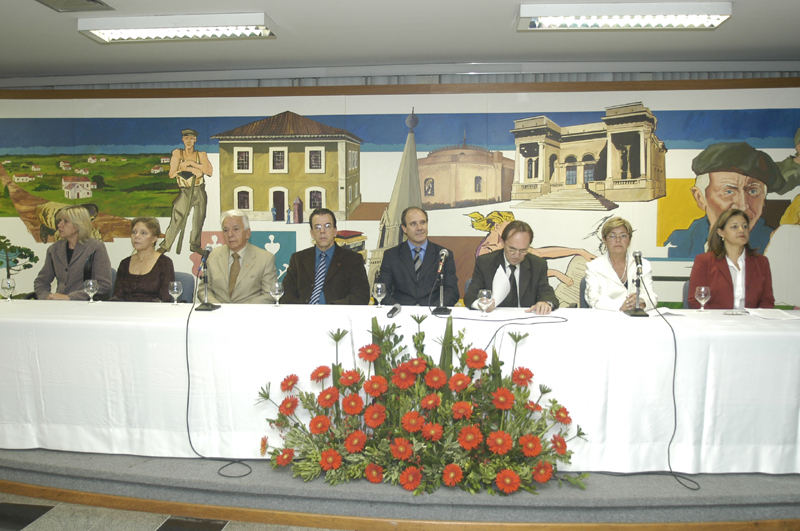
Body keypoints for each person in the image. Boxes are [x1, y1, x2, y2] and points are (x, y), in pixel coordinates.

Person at [664, 142, 785, 258]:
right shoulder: (678, 244)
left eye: (753, 191)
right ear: (700, 198)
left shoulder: (777, 244)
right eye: (728, 192)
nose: (743, 206)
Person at [463, 220, 558, 315]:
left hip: (525, 317)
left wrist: (545, 303)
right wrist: (483, 305)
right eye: (512, 249)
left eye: (523, 250)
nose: (516, 255)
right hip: (494, 317)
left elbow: (547, 292)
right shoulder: (485, 263)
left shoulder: (538, 264)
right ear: (502, 242)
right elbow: (471, 296)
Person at [688, 209, 774, 310]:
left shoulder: (761, 262)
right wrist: (716, 318)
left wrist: (756, 317)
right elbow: (695, 300)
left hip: (751, 319)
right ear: (721, 233)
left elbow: (767, 301)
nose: (741, 230)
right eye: (734, 227)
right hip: (715, 318)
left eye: (745, 226)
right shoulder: (704, 261)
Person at [282, 208, 370, 305]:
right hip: (304, 313)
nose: (322, 231)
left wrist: (329, 310)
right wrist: (304, 311)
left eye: (327, 226)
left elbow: (360, 296)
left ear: (335, 231)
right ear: (312, 233)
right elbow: (285, 295)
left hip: (337, 313)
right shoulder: (298, 259)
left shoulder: (353, 260)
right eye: (317, 227)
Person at [377, 207, 459, 306]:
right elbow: (382, 291)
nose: (419, 228)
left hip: (433, 311)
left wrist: (435, 309)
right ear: (404, 228)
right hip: (401, 311)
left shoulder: (443, 254)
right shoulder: (391, 255)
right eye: (413, 224)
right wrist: (397, 309)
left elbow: (452, 291)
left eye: (423, 222)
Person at [196, 210, 278, 304]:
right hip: (218, 311)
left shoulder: (265, 259)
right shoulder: (213, 256)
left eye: (235, 229)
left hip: (249, 311)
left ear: (247, 233)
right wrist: (217, 306)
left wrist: (240, 309)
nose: (230, 234)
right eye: (226, 230)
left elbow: (269, 294)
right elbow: (204, 289)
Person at [34, 205, 112, 300]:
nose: (59, 225)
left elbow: (104, 284)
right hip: (60, 304)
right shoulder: (54, 249)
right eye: (60, 221)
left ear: (79, 224)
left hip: (86, 303)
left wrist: (70, 297)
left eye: (66, 221)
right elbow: (41, 281)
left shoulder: (95, 247)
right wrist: (46, 296)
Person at [584, 217, 658, 311]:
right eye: (612, 236)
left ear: (629, 240)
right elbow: (593, 299)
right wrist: (621, 306)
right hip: (607, 316)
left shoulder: (642, 264)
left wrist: (642, 302)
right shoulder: (594, 266)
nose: (618, 240)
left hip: (636, 317)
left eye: (623, 236)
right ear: (605, 240)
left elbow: (651, 297)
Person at [158, 128, 213, 255]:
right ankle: (166, 245)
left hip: (199, 190)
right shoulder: (178, 154)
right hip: (185, 190)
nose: (189, 141)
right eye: (186, 138)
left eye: (191, 138)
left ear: (195, 140)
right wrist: (189, 170)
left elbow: (209, 171)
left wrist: (192, 164)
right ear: (183, 140)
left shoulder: (201, 155)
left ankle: (195, 245)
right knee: (178, 217)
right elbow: (172, 174)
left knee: (199, 218)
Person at [111, 217, 174, 302]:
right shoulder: (125, 263)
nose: (137, 236)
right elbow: (116, 297)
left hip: (153, 309)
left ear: (154, 238)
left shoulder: (164, 263)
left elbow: (165, 298)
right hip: (125, 309)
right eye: (134, 232)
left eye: (143, 233)